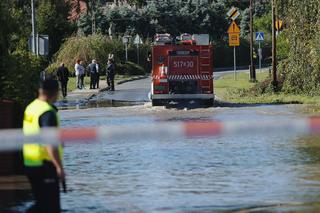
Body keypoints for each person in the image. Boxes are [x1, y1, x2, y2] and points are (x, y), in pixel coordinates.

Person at [23, 79, 65, 213]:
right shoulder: (47, 112)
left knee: (41, 204)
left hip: (30, 163)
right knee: (51, 208)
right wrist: (59, 167)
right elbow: (49, 143)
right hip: (45, 165)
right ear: (55, 92)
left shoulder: (31, 107)